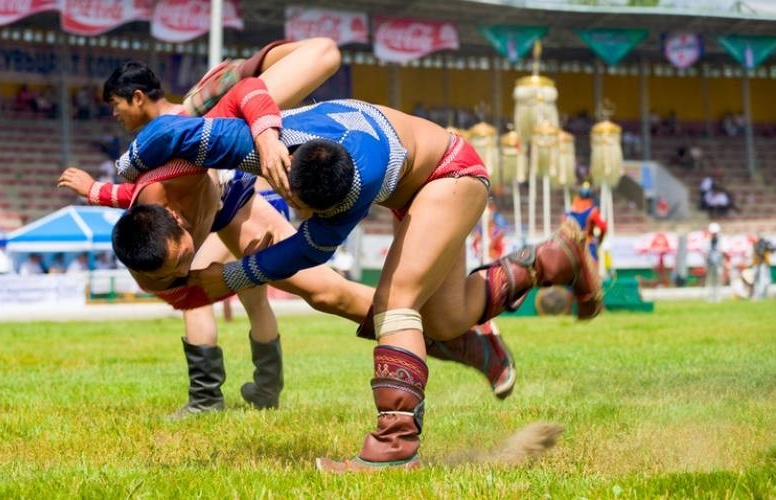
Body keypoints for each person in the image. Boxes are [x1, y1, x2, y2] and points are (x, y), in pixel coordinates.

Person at [122, 97, 603, 471]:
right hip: (422, 178)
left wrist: (230, 275)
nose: (300, 216)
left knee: (397, 305)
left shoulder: (352, 191)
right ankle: (554, 258)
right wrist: (124, 171)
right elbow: (167, 128)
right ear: (281, 167)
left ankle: (394, 447)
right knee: (448, 316)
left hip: (450, 175)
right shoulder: (258, 145)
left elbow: (306, 252)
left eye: (307, 212)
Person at [58, 41, 516, 417]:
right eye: (176, 268)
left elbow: (315, 59)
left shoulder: (177, 147)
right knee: (321, 297)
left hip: (238, 186)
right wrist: (103, 193)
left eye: (116, 103)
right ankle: (212, 396)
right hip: (235, 192)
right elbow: (148, 227)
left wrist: (246, 101)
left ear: (175, 221)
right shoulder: (151, 236)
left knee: (335, 293)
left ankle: (459, 342)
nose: (115, 113)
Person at [566, 183, 607, 263]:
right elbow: (603, 227)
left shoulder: (570, 212)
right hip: (587, 246)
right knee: (594, 272)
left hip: (571, 248)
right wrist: (599, 240)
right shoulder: (592, 211)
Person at [752, 235, 773, 299]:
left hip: (764, 264)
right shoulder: (757, 245)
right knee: (759, 280)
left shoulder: (765, 244)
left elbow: (772, 250)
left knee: (765, 280)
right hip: (758, 264)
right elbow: (758, 253)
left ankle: (762, 294)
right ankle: (758, 294)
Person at [706, 223, 723, 303]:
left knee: (717, 280)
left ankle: (718, 296)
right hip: (710, 263)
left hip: (718, 262)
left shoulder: (721, 240)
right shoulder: (707, 241)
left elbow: (722, 252)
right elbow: (706, 252)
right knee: (710, 280)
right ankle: (710, 296)